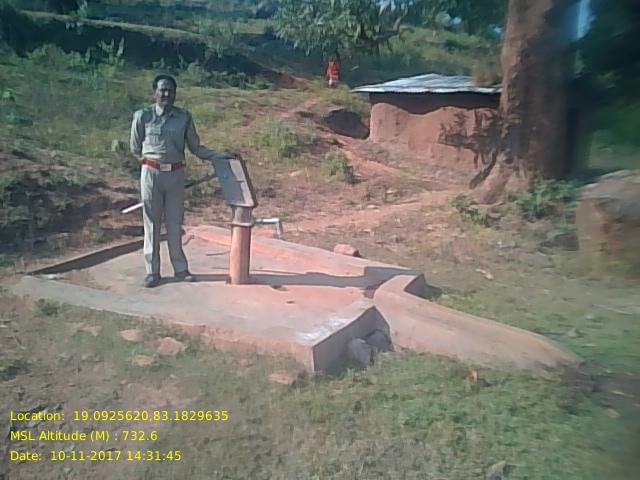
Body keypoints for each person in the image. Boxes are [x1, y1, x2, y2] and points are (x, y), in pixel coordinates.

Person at [130, 74, 231, 288]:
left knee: (175, 223)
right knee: (152, 224)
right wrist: (150, 163)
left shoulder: (184, 117)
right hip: (151, 174)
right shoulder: (143, 116)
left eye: (170, 90)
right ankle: (152, 272)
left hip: (175, 175)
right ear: (154, 92)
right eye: (162, 90)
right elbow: (135, 147)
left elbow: (196, 147)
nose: (166, 94)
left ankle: (180, 269)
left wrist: (220, 156)